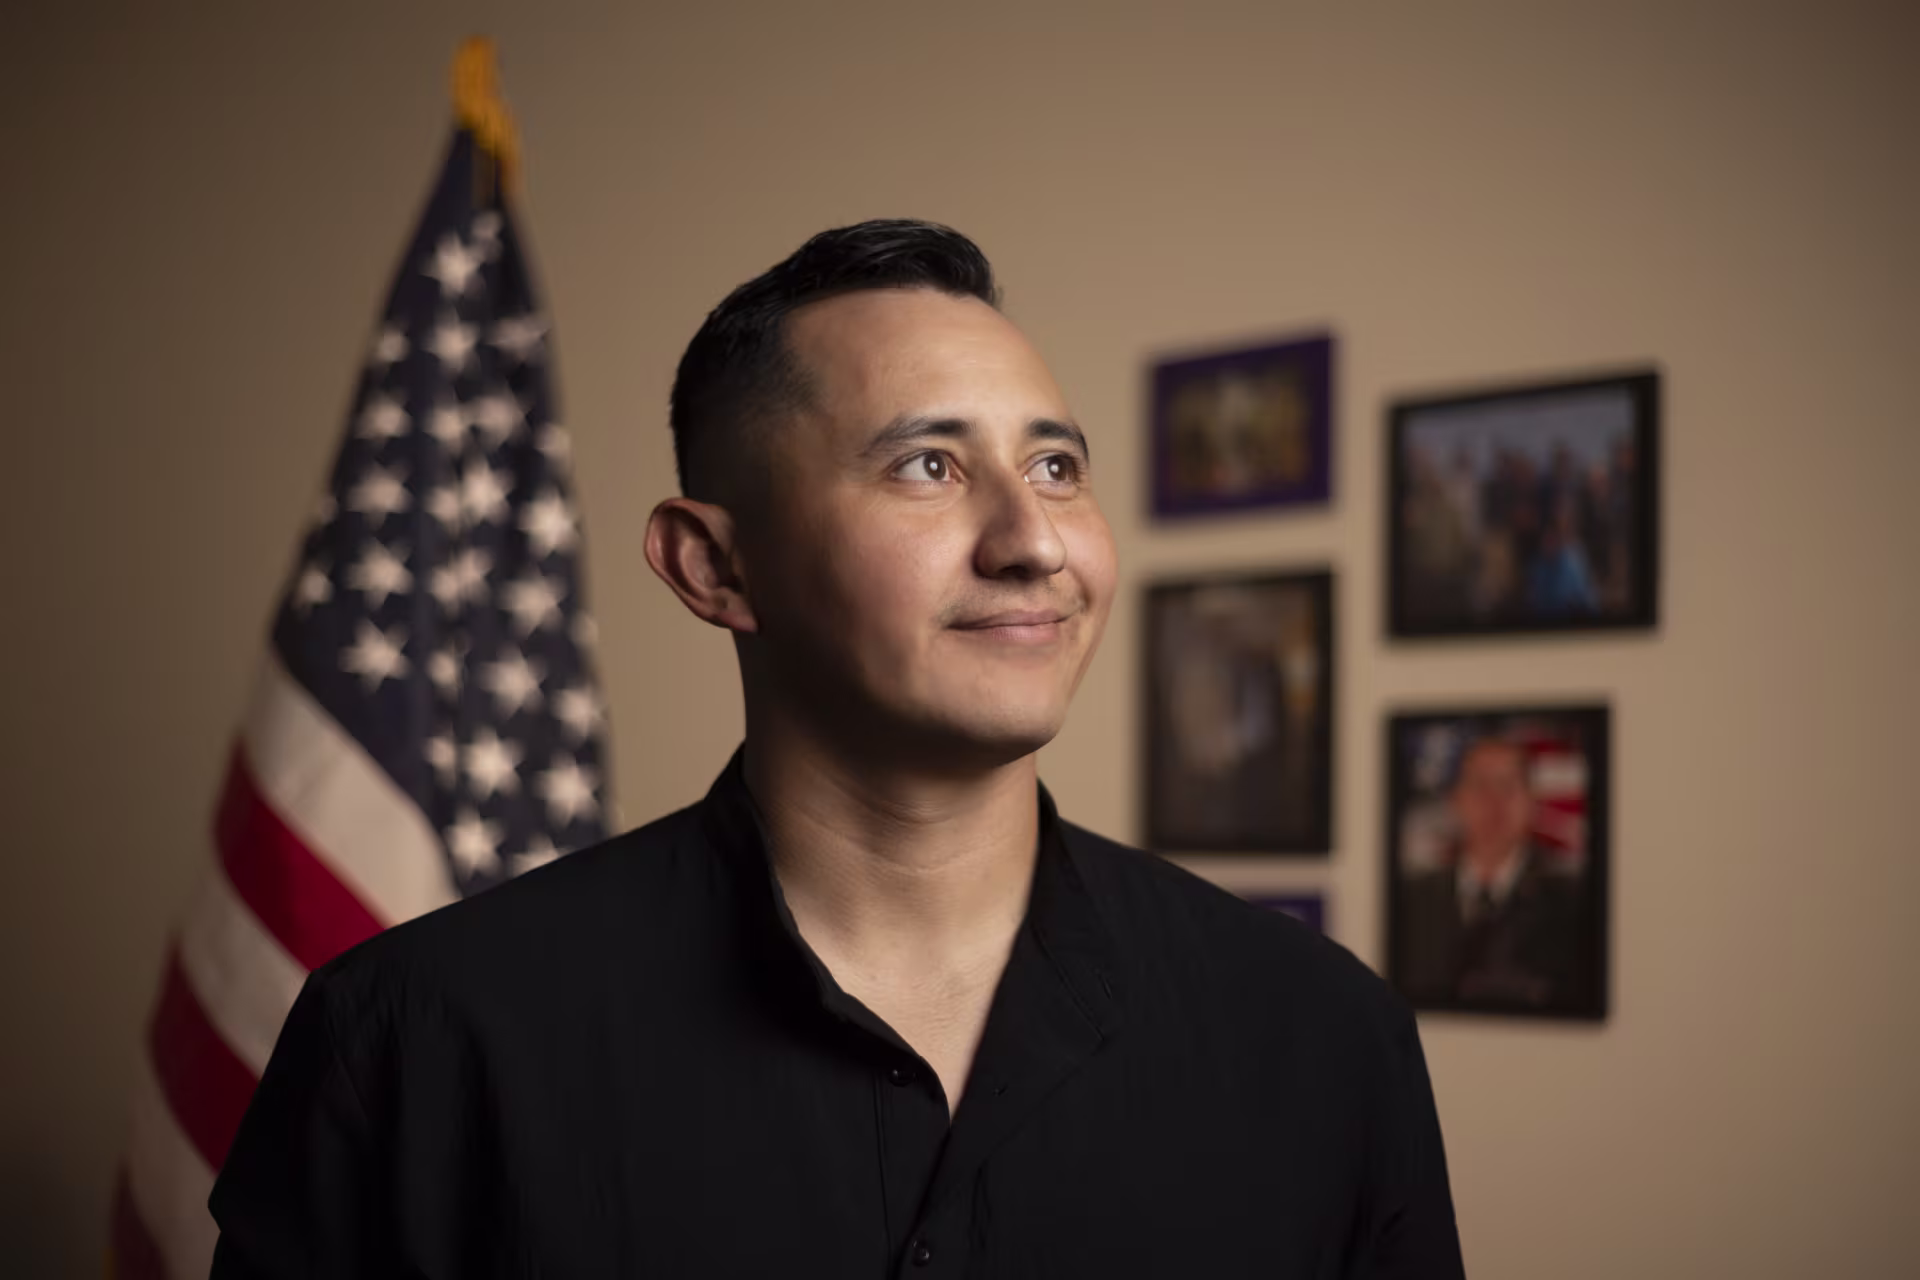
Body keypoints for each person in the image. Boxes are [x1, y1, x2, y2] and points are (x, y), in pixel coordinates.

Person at [209, 220, 1465, 1277]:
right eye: (928, 465)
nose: (1033, 540)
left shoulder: (1325, 1037)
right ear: (715, 563)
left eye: (1056, 464)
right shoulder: (416, 1042)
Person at [1395, 736, 1589, 1011]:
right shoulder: (1412, 897)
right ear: (1456, 800)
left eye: (1508, 786)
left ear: (1531, 801)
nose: (1494, 801)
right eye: (1480, 785)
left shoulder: (1573, 902)